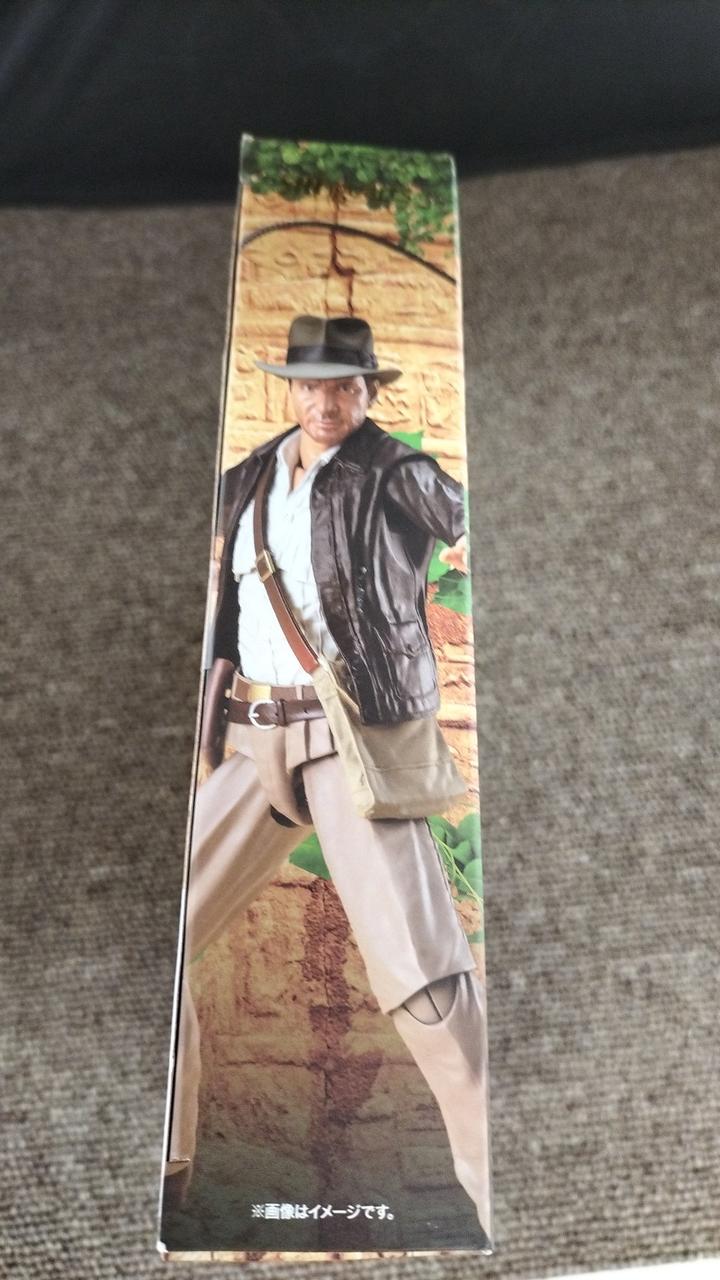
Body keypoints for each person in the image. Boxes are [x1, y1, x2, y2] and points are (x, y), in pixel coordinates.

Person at [163, 315, 491, 1243]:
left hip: (348, 738)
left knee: (425, 982)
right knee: (161, 939)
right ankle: (166, 1174)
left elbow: (472, 526)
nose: (324, 401)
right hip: (250, 737)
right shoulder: (245, 481)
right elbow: (226, 607)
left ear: (367, 390)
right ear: (290, 388)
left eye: (343, 385)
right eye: (310, 385)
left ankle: (501, 1185)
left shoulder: (392, 471)